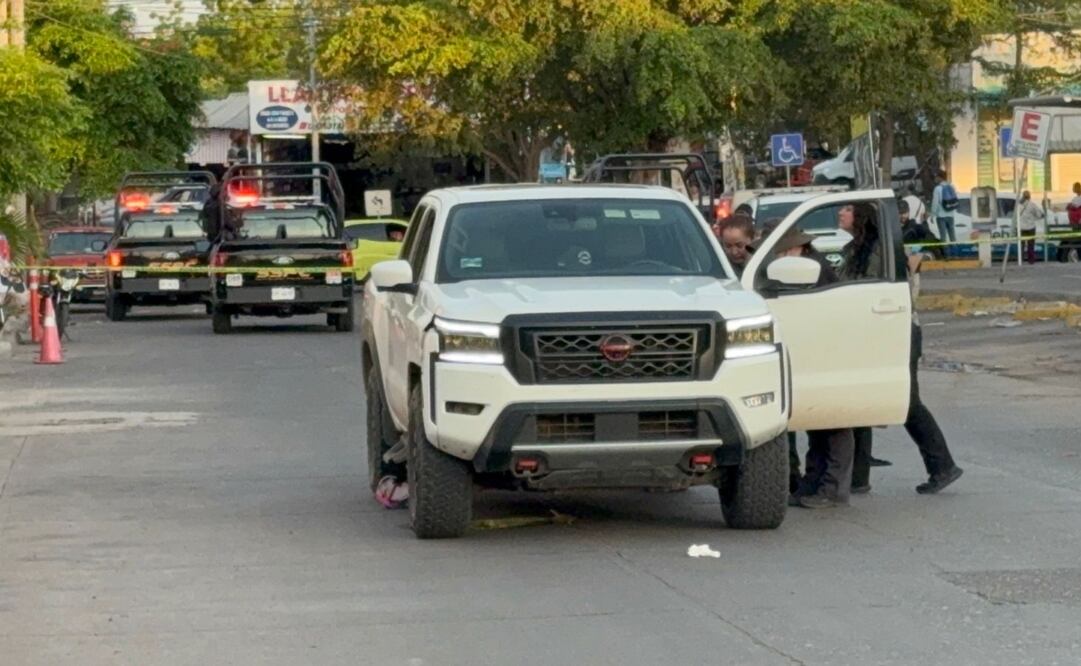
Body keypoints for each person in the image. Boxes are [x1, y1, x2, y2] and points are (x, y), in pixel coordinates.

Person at [931, 171, 958, 256]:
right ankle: (955, 254)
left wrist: (932, 215)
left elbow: (935, 203)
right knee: (952, 236)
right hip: (951, 215)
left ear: (940, 177)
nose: (935, 179)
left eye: (936, 177)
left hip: (941, 216)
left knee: (943, 237)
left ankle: (947, 255)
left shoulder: (937, 189)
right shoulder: (952, 186)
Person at [1017, 190, 1044, 264]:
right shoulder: (1032, 205)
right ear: (1029, 197)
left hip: (1021, 228)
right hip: (1031, 227)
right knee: (1031, 245)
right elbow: (1039, 215)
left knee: (1021, 245)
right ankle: (1031, 260)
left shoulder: (1019, 205)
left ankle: (1020, 260)